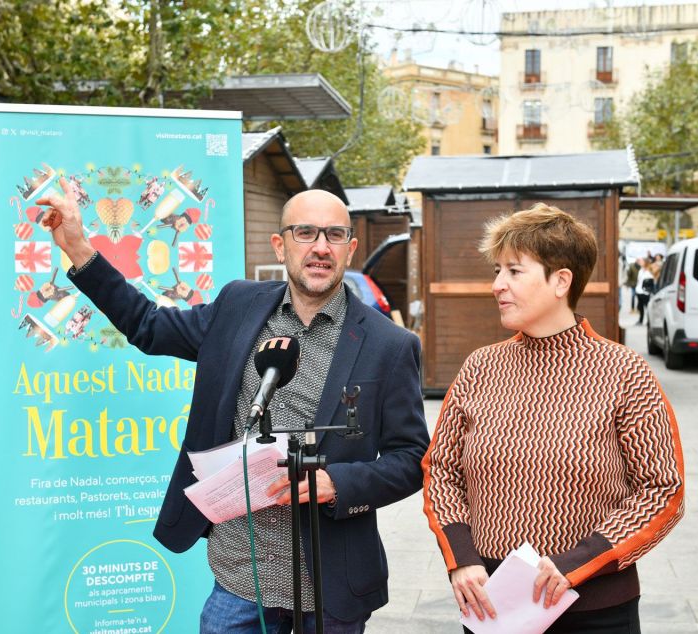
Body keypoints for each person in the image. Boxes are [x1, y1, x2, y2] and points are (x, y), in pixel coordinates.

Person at [39, 181, 429, 633]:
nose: (320, 247)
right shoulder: (238, 306)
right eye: (306, 233)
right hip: (240, 582)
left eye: (334, 235)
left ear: (350, 247)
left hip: (329, 587)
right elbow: (147, 325)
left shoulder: (390, 346)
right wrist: (80, 248)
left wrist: (335, 482)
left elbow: (411, 460)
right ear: (280, 245)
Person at [422, 203, 684, 633]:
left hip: (597, 612)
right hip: (494, 606)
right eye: (496, 271)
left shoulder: (624, 371)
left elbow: (662, 489)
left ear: (561, 280)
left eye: (513, 271)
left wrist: (578, 563)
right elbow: (442, 472)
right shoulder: (480, 367)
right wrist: (462, 560)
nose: (497, 285)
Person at [635, 258, 654, 326]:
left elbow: (651, 281)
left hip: (645, 292)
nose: (640, 262)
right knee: (640, 307)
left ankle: (649, 321)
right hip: (639, 291)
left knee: (647, 307)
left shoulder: (649, 271)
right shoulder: (640, 270)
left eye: (642, 261)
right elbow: (638, 280)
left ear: (645, 262)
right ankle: (640, 320)